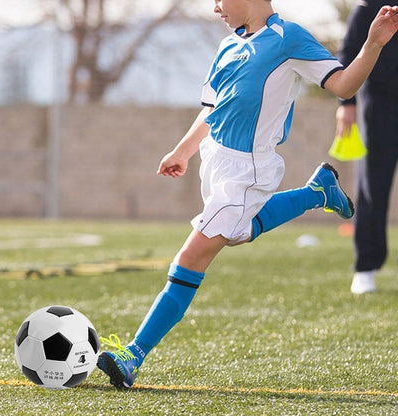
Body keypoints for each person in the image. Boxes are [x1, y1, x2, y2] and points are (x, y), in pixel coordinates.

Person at [97, 0, 398, 388]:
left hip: (247, 171)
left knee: (192, 256)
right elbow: (211, 108)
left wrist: (372, 44)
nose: (215, 6)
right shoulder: (228, 46)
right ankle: (316, 193)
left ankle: (133, 355)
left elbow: (343, 84)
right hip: (215, 164)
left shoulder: (288, 38)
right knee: (238, 231)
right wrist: (182, 151)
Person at [335, 0, 398, 295]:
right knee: (373, 185)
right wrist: (346, 103)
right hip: (381, 106)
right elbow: (348, 51)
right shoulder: (370, 4)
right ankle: (366, 267)